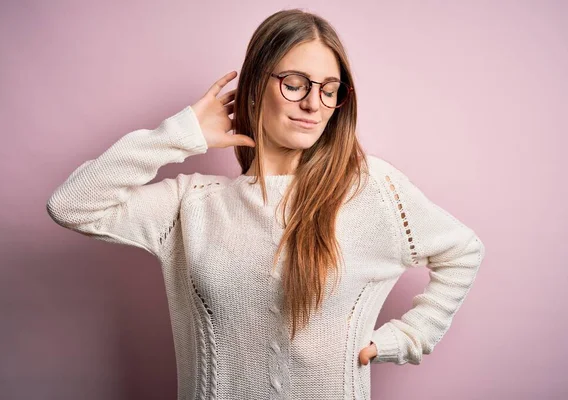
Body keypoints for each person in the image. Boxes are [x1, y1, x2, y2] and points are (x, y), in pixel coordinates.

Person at [46, 8, 485, 400]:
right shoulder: (191, 205)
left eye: (330, 90)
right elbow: (72, 205)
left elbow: (464, 251)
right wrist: (180, 135)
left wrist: (410, 337)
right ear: (256, 86)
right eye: (295, 84)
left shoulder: (372, 191)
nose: (314, 103)